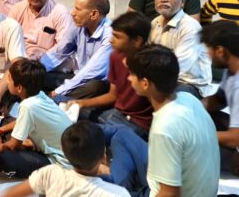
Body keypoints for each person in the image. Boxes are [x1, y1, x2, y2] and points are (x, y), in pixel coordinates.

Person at [127, 45, 219, 196]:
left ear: (145, 83)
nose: (128, 78)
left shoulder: (164, 128)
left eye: (131, 74)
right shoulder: (190, 99)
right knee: (122, 136)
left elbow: (169, 194)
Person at [68, 11, 153, 139]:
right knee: (61, 104)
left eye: (117, 37)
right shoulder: (115, 56)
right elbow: (113, 95)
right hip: (116, 114)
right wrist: (81, 103)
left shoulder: (151, 63)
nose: (111, 40)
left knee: (84, 136)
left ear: (137, 41)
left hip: (137, 125)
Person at [1, 121, 131, 197]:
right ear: (103, 157)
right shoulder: (118, 194)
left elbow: (9, 194)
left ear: (64, 151)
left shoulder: (50, 173)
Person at [0, 59, 72, 178]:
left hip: (59, 163)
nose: (7, 82)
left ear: (19, 88)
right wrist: (2, 130)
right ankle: (30, 143)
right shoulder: (39, 94)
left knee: (4, 159)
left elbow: (11, 146)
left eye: (9, 78)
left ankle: (32, 148)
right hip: (63, 147)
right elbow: (20, 121)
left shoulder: (27, 106)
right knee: (6, 122)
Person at [40, 0, 112, 101]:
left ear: (94, 14)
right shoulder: (78, 25)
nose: (72, 13)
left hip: (96, 83)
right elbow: (57, 53)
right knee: (36, 76)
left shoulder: (110, 34)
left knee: (95, 86)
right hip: (77, 78)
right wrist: (34, 70)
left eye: (78, 9)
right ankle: (54, 100)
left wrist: (58, 91)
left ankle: (50, 102)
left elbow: (90, 72)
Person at [149, 0, 212, 98]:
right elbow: (149, 55)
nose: (163, 0)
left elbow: (177, 67)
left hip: (190, 84)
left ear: (182, 2)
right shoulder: (155, 22)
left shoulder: (190, 27)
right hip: (164, 77)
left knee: (162, 96)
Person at [8, 0, 72, 60]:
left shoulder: (60, 12)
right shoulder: (16, 9)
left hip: (48, 60)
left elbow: (63, 46)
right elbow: (8, 37)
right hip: (20, 58)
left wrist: (42, 61)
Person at [201, 20, 239, 170]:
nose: (207, 55)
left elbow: (235, 139)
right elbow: (219, 100)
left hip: (236, 142)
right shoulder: (231, 70)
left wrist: (196, 134)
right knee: (209, 118)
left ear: (221, 51)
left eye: (208, 50)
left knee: (191, 149)